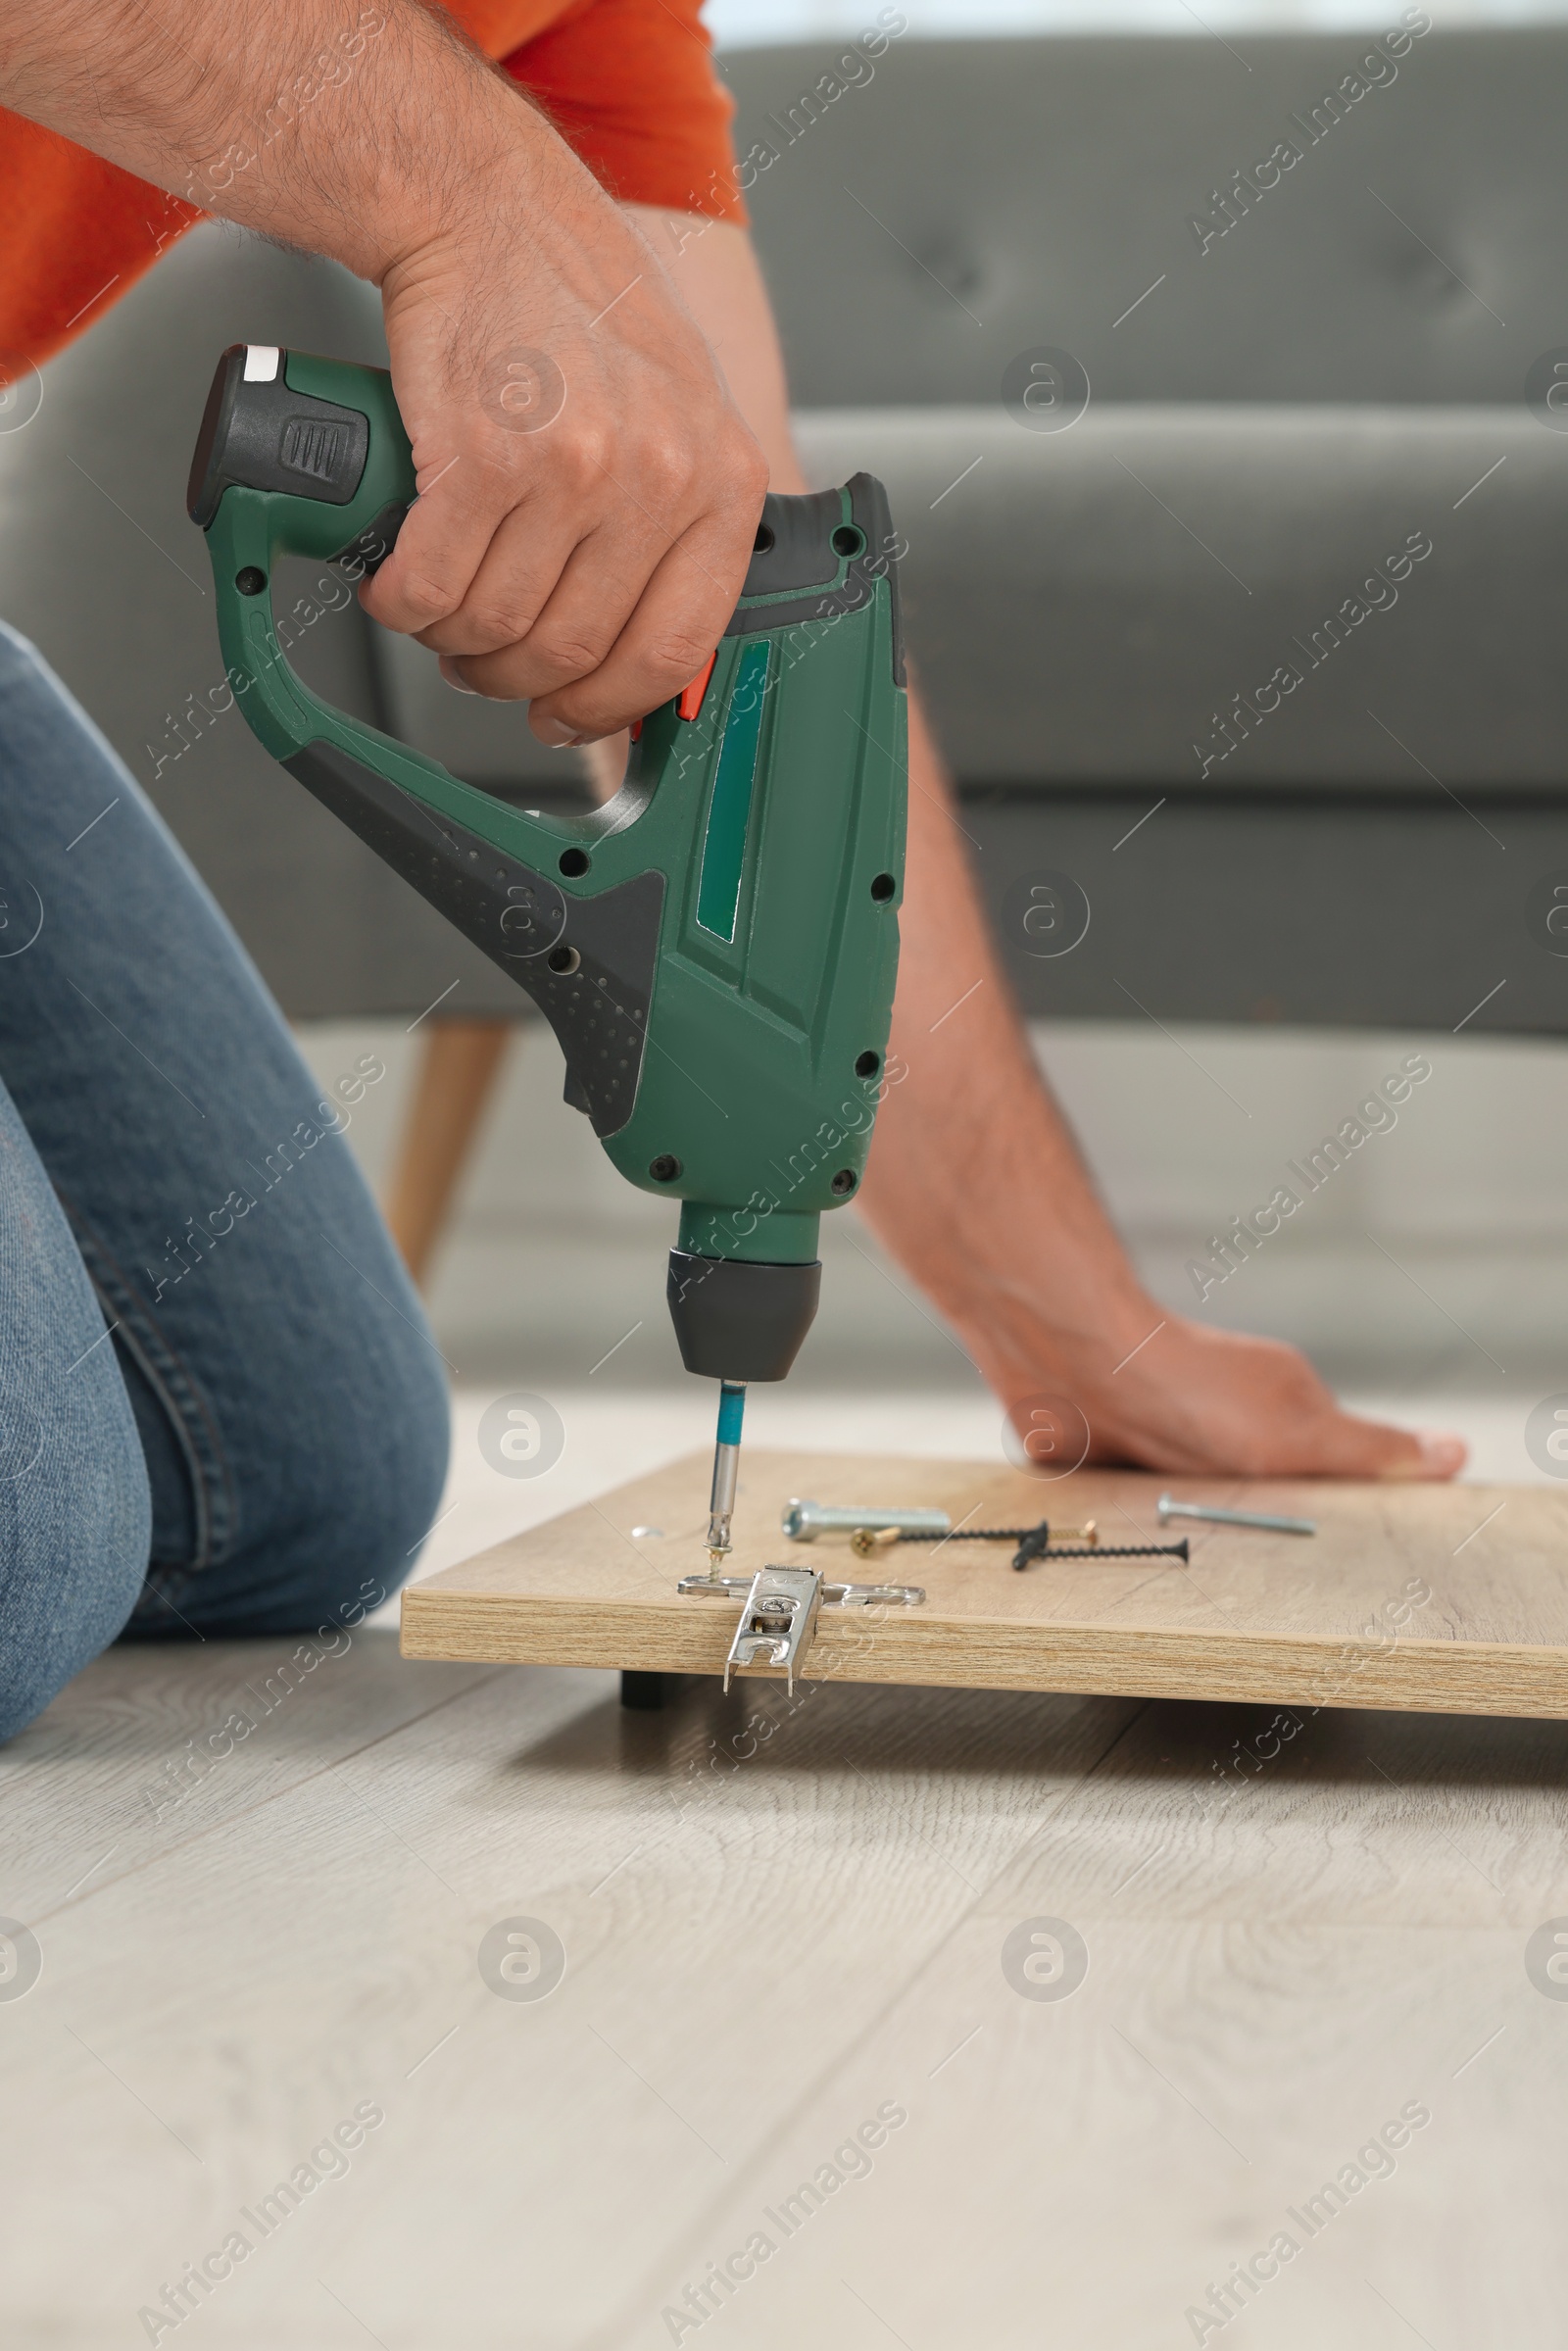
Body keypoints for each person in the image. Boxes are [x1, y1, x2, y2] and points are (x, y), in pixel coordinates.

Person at [0, 0, 1462, 1739]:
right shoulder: (486, 136)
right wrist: (474, 196)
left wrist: (1079, 1330)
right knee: (36, 1548)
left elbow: (775, 642)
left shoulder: (575, 17)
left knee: (290, 1483)